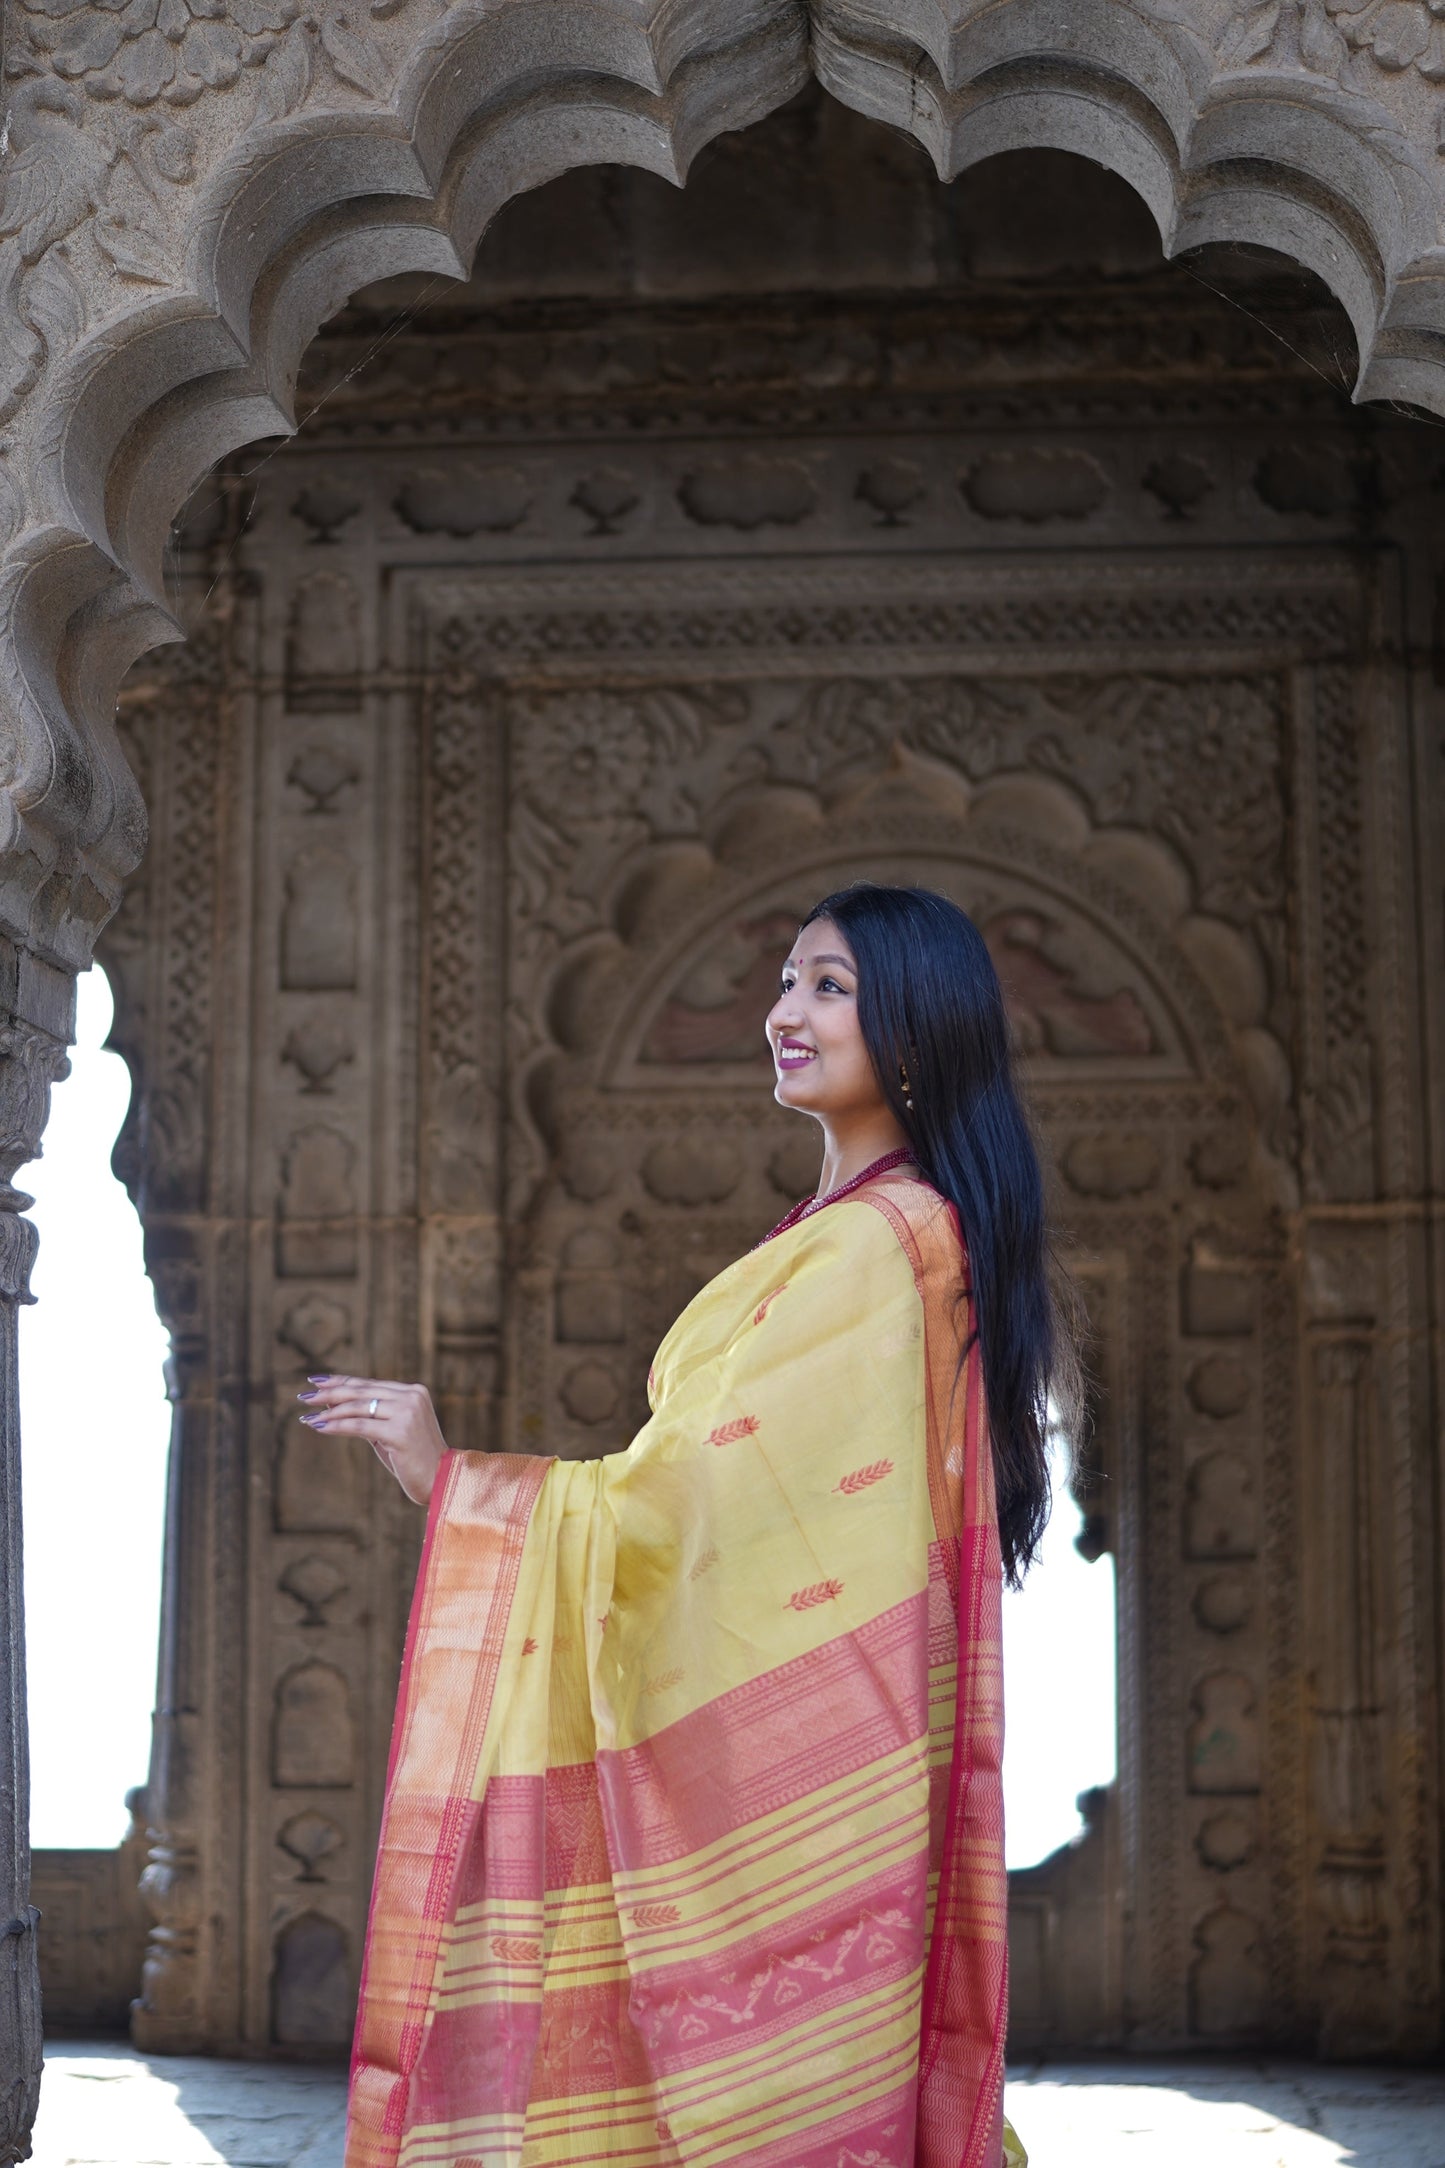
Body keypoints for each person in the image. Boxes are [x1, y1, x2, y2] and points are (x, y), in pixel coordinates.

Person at [302, 882, 1076, 2168]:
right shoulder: (860, 1232)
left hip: (829, 1748)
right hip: (855, 1738)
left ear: (918, 1027)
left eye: (830, 986)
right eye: (785, 980)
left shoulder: (879, 1247)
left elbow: (694, 1510)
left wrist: (462, 1479)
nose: (785, 1011)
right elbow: (712, 1507)